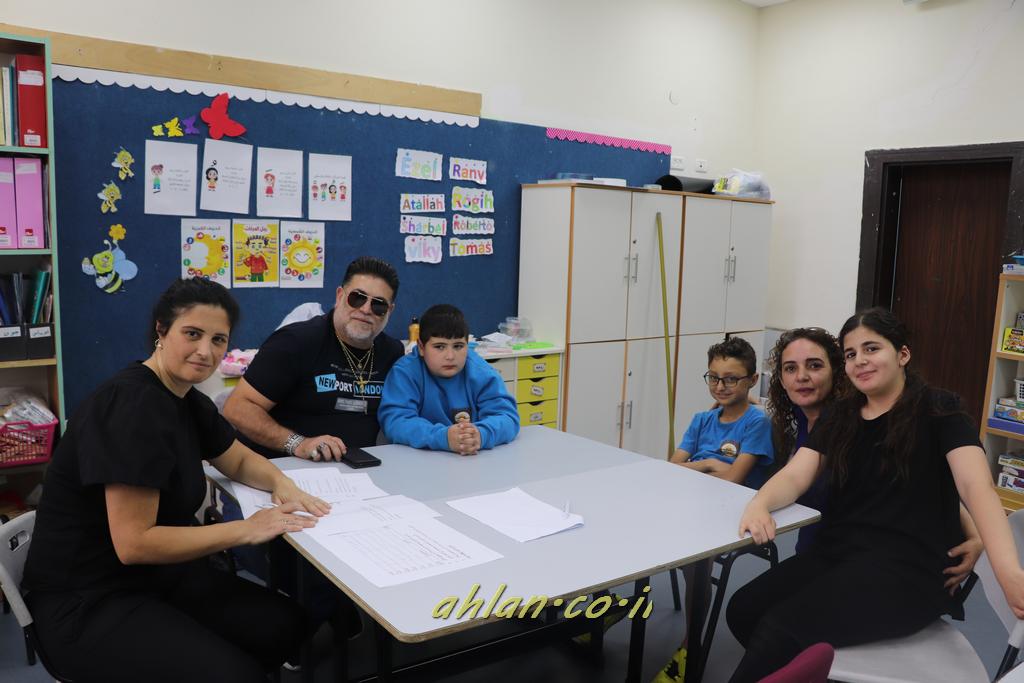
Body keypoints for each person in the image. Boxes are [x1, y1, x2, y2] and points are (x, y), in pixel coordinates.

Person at [22, 278, 329, 682]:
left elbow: (236, 459)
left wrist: (279, 482)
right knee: (236, 674)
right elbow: (134, 543)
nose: (206, 352)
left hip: (154, 575)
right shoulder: (132, 407)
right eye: (192, 334)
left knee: (285, 624)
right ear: (161, 331)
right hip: (88, 598)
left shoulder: (184, 398)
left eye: (219, 340)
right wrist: (247, 529)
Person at [726, 308, 1024, 682]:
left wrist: (1008, 571)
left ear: (903, 354)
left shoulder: (940, 409)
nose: (860, 361)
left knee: (780, 629)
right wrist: (760, 503)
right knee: (743, 609)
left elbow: (975, 486)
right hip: (839, 554)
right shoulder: (841, 415)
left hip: (908, 570)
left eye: (872, 348)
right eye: (851, 354)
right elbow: (796, 474)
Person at [766, 326, 981, 578]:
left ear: (837, 371)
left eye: (815, 366)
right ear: (781, 379)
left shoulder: (859, 421)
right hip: (818, 548)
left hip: (867, 556)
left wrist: (975, 534)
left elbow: (925, 486)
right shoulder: (796, 420)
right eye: (790, 368)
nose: (801, 377)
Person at [654, 336, 774, 683]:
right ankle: (609, 611)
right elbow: (670, 468)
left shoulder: (756, 423)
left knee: (696, 560)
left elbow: (735, 479)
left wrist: (698, 468)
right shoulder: (701, 420)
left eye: (731, 379)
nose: (720, 386)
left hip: (732, 510)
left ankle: (690, 644)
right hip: (693, 499)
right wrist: (709, 464)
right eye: (714, 377)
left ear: (752, 380)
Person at [223, 255, 404, 460]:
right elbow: (237, 408)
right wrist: (298, 443)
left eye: (378, 305)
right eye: (357, 298)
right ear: (339, 296)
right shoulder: (295, 342)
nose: (365, 309)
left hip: (359, 468)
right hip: (282, 466)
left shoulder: (392, 352)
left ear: (390, 311)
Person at [378, 303, 519, 454]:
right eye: (439, 346)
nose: (450, 356)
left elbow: (508, 417)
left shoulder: (481, 371)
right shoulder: (405, 372)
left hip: (469, 459)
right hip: (420, 459)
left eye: (458, 346)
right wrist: (443, 437)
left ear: (468, 345)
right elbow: (396, 422)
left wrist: (480, 434)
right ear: (421, 347)